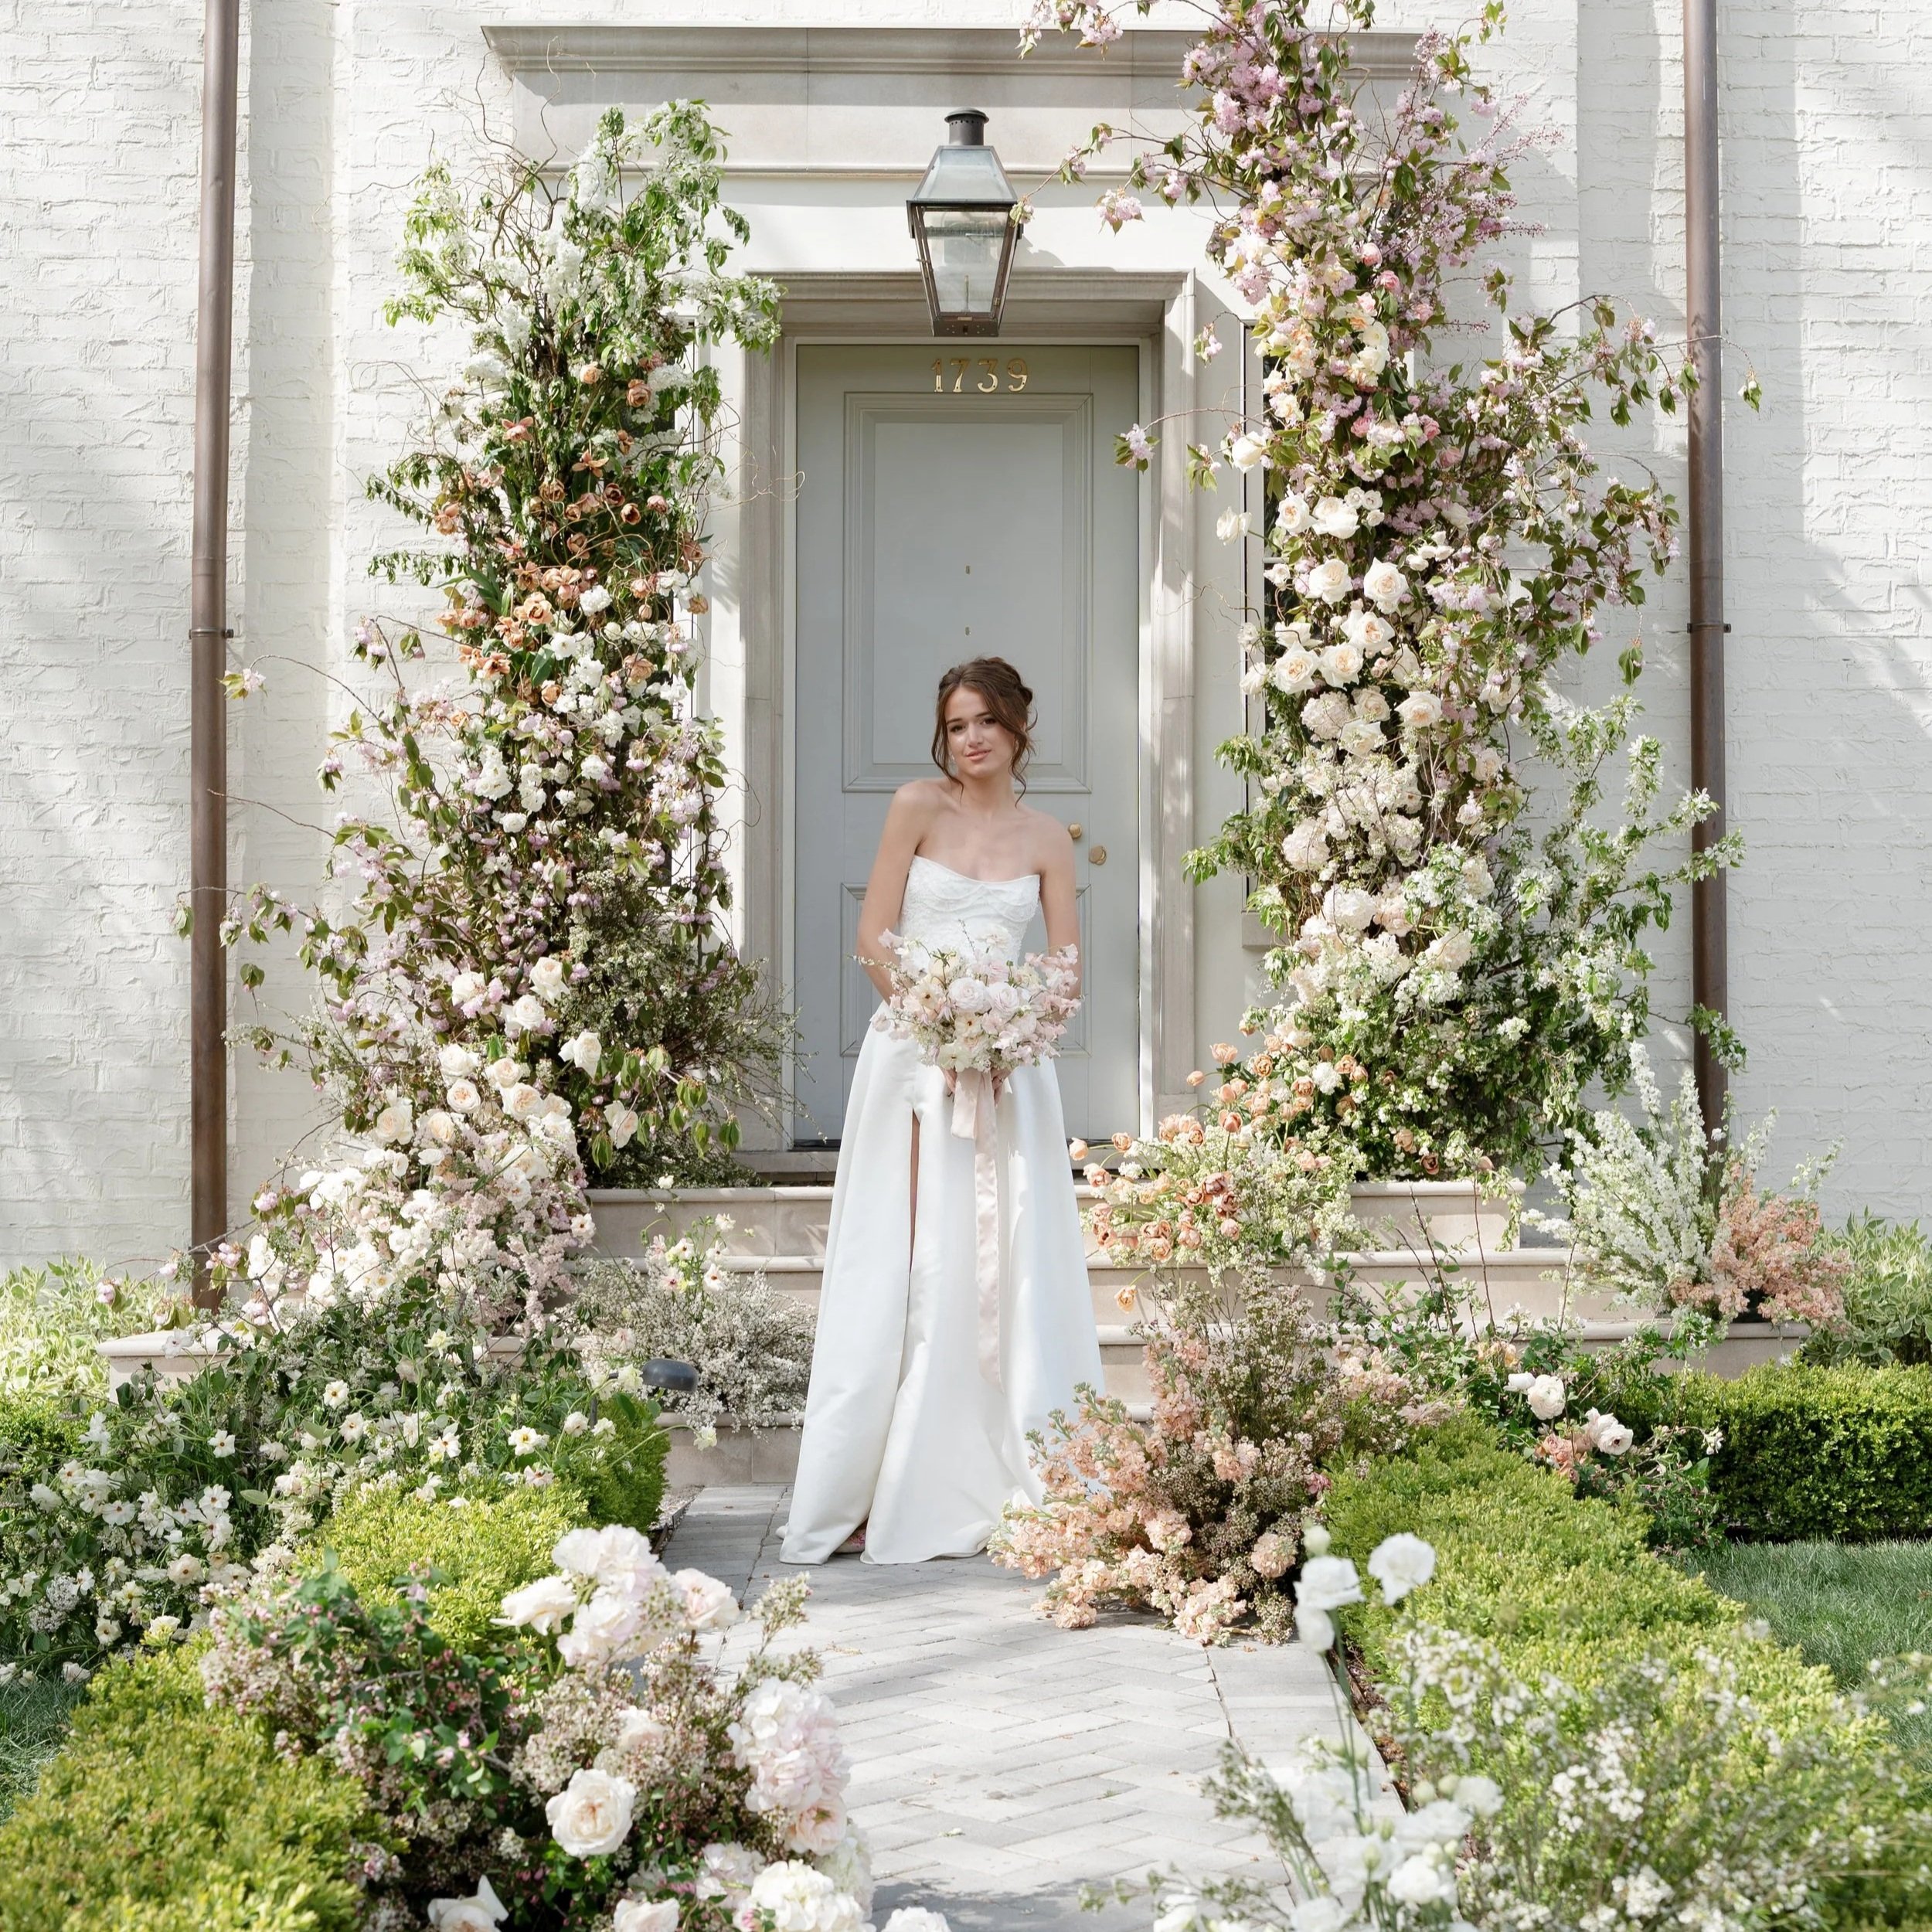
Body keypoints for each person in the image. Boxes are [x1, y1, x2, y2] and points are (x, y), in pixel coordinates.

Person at [780, 658, 1104, 1564]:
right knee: (911, 1254)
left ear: (1017, 727)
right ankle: (871, 1481)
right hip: (914, 1060)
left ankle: (1001, 1472)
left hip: (1007, 1069)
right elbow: (872, 937)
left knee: (1000, 1259)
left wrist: (1005, 1035)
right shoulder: (915, 807)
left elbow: (1065, 970)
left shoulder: (1048, 837)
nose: (971, 739)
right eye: (957, 725)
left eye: (986, 722)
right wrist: (940, 1025)